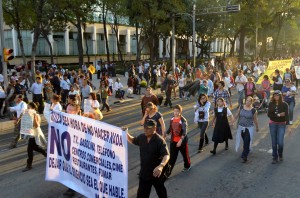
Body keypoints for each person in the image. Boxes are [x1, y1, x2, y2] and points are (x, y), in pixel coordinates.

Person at [127, 119, 170, 198]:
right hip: (144, 173)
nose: (145, 130)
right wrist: (125, 133)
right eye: (144, 127)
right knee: (141, 195)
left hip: (156, 173)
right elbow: (133, 140)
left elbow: (166, 155)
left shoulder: (159, 140)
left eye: (148, 128)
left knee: (161, 193)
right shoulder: (142, 137)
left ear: (155, 128)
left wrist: (161, 166)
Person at [166, 104, 191, 176]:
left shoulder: (183, 120)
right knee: (172, 157)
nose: (176, 113)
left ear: (180, 112)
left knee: (185, 155)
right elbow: (170, 128)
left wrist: (180, 141)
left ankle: (187, 166)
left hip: (182, 142)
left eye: (177, 111)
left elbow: (184, 132)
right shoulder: (172, 119)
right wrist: (166, 134)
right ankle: (168, 173)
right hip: (173, 141)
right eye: (174, 111)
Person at [22, 102, 47, 172]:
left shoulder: (36, 115)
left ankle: (29, 165)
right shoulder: (28, 114)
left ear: (33, 108)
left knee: (29, 150)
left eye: (28, 107)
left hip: (34, 134)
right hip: (30, 134)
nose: (27, 109)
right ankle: (45, 153)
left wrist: (34, 117)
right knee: (35, 147)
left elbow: (36, 126)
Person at [267, 90, 290, 164]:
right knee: (274, 142)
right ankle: (274, 157)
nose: (276, 96)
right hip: (272, 124)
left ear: (280, 96)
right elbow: (269, 115)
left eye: (277, 95)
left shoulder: (285, 104)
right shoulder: (271, 104)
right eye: (274, 95)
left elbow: (286, 115)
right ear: (273, 96)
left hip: (281, 124)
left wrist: (288, 127)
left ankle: (280, 154)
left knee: (280, 142)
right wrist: (279, 115)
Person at [235, 96, 259, 163]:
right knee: (244, 140)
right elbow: (237, 114)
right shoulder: (242, 107)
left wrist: (257, 127)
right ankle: (245, 150)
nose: (248, 102)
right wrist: (233, 120)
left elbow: (255, 119)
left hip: (249, 128)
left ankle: (244, 156)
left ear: (251, 102)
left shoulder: (253, 110)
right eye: (247, 100)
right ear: (245, 101)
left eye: (249, 101)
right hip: (241, 128)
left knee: (246, 141)